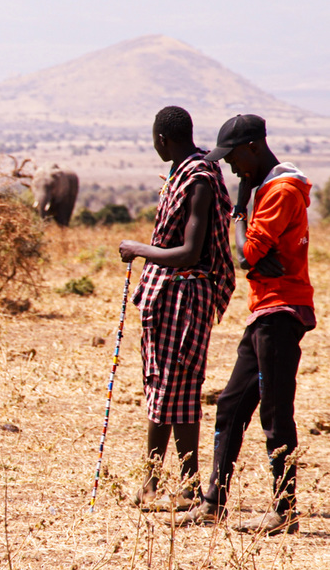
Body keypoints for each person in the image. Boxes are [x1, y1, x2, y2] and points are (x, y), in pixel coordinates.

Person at [175, 114, 315, 534]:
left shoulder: (281, 192)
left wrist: (239, 216)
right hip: (264, 313)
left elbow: (247, 253)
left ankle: (284, 509)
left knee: (275, 414)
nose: (232, 167)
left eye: (234, 157)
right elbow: (253, 256)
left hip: (280, 313)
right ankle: (213, 502)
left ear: (253, 146)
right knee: (230, 405)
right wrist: (244, 197)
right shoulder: (268, 187)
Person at [119, 106, 235, 512]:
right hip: (169, 295)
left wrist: (138, 250)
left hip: (185, 297)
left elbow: (188, 252)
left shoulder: (199, 178)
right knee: (166, 389)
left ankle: (174, 487)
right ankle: (166, 484)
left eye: (154, 140)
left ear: (163, 140)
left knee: (177, 390)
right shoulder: (184, 172)